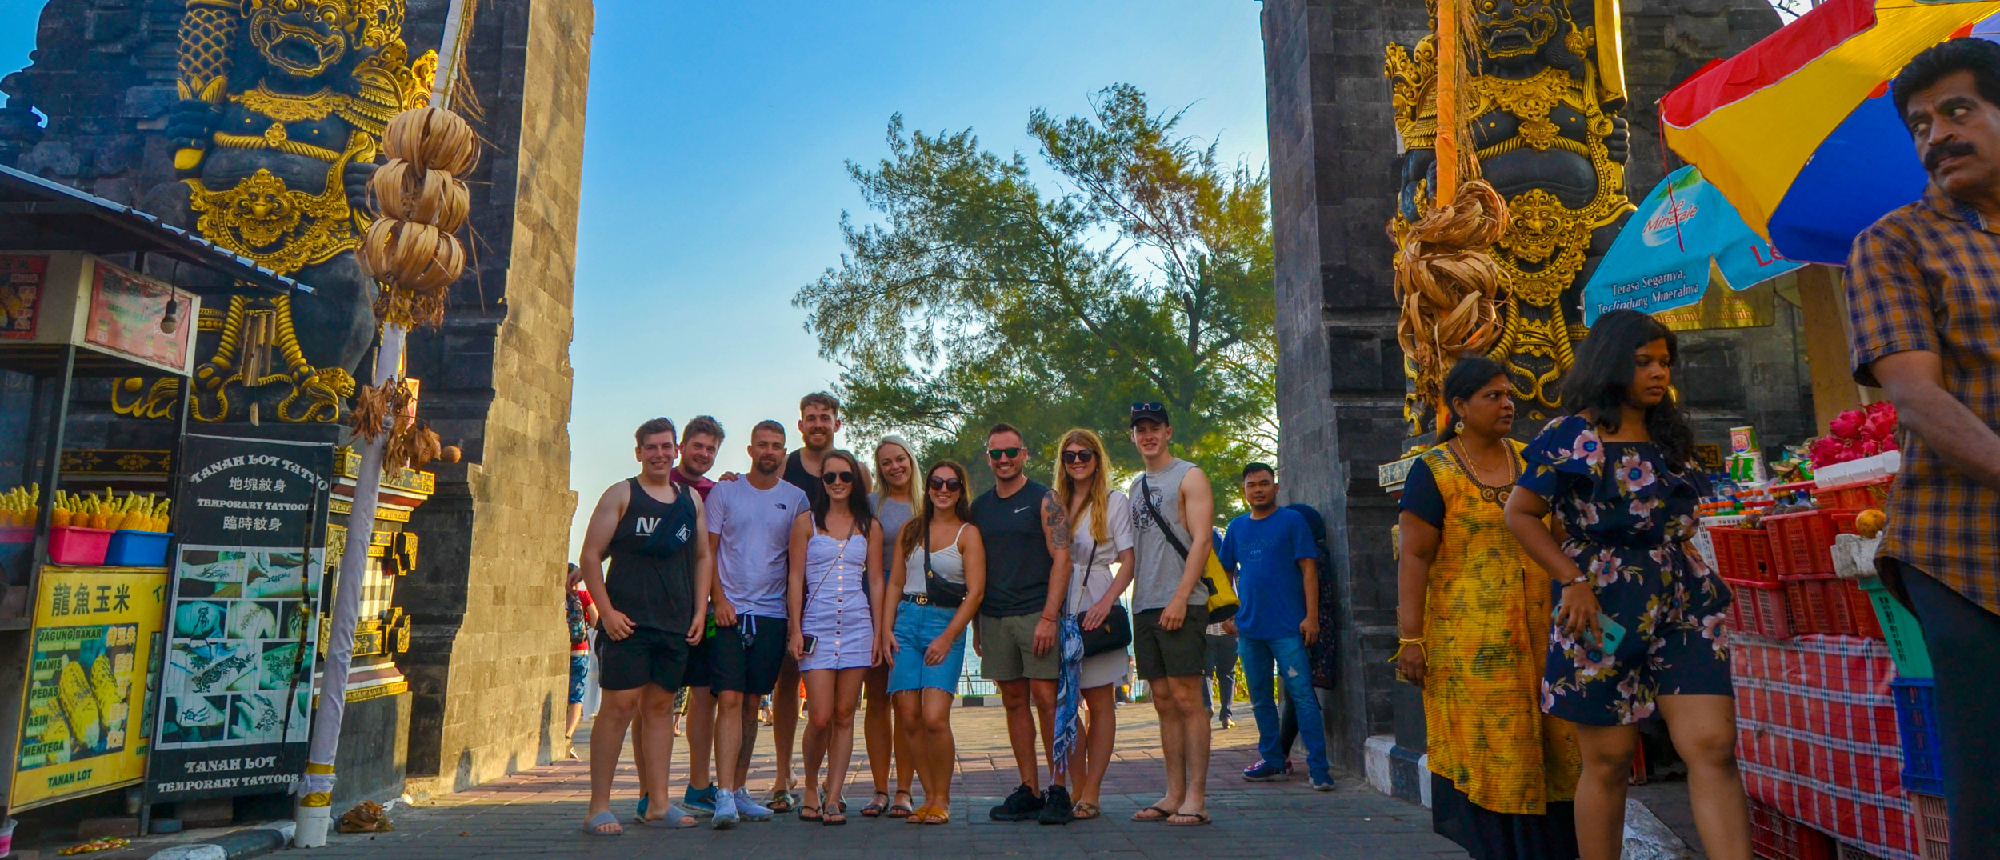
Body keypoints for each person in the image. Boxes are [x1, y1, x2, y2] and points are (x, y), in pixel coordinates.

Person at [1503, 310, 1749, 860]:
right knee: (1610, 760)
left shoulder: (1669, 434)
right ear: (1612, 363)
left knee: (1713, 745)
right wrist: (1570, 580)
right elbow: (1520, 513)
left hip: (1685, 596)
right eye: (1644, 363)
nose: (1658, 373)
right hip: (1598, 602)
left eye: (1664, 362)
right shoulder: (1570, 435)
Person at [1848, 39, 2000, 856]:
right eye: (1920, 123)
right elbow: (1916, 395)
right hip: (1969, 556)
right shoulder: (1895, 244)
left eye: (1958, 111)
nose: (1935, 134)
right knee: (1993, 789)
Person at [1399, 357, 1581, 859]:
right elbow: (1414, 558)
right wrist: (1410, 640)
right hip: (1471, 650)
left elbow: (1564, 539)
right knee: (1495, 752)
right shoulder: (1433, 470)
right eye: (1493, 396)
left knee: (1557, 746)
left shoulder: (1533, 461)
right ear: (1460, 407)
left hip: (1546, 636)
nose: (1508, 404)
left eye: (1509, 394)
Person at [576, 418, 712, 835]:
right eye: (651, 447)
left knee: (660, 710)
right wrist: (607, 611)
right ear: (639, 452)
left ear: (676, 451)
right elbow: (590, 556)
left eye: (666, 447)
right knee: (617, 709)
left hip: (674, 624)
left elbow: (704, 556)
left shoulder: (690, 501)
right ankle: (598, 806)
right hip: (627, 624)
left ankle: (658, 803)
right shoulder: (622, 494)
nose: (659, 454)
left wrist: (698, 611)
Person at [704, 420, 811, 828]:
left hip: (771, 614)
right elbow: (708, 552)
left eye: (777, 446)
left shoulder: (797, 499)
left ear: (784, 453)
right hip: (729, 612)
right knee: (729, 699)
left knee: (752, 703)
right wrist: (719, 600)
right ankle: (724, 794)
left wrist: (794, 621)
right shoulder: (726, 490)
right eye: (762, 445)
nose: (769, 451)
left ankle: (742, 788)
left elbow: (798, 563)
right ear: (750, 450)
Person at [973, 423, 1076, 825]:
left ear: (1024, 454)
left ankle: (1060, 790)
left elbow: (1062, 560)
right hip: (994, 617)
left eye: (1010, 452)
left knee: (1048, 702)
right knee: (1013, 702)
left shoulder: (1044, 499)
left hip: (1037, 614)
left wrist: (1050, 617)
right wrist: (978, 628)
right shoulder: (979, 507)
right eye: (996, 454)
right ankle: (1029, 789)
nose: (1003, 460)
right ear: (988, 458)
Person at [1124, 402, 1217, 826]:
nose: (1148, 435)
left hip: (1182, 599)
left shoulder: (1190, 475)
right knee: (1162, 700)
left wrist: (1181, 597)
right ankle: (1173, 792)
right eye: (1140, 429)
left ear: (1168, 431)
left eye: (1154, 427)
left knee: (1187, 697)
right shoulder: (1134, 487)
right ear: (1133, 436)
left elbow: (1201, 541)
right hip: (1143, 603)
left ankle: (1196, 797)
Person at [882, 460, 987, 825]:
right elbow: (895, 583)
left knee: (934, 718)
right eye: (936, 482)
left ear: (961, 490)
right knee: (908, 718)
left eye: (952, 484)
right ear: (927, 488)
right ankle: (927, 798)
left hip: (945, 622)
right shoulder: (913, 530)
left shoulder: (968, 533)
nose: (943, 489)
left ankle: (942, 798)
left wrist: (948, 637)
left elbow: (974, 594)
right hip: (906, 621)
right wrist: (885, 629)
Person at [1221, 462, 1336, 792]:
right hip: (1250, 630)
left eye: (1264, 483)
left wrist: (1311, 617)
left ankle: (1319, 767)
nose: (1258, 489)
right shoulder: (1237, 527)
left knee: (1302, 696)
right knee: (1260, 698)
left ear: (1275, 487)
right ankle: (1273, 760)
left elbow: (1309, 571)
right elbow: (1226, 570)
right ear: (1243, 492)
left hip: (1288, 628)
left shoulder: (1292, 521)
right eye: (1251, 485)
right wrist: (1229, 612)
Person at [786, 450, 884, 826]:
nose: (838, 482)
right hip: (817, 626)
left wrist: (878, 630)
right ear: (822, 483)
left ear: (856, 481)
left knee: (846, 714)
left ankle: (833, 793)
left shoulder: (868, 526)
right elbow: (795, 578)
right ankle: (809, 784)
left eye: (845, 476)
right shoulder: (806, 522)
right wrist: (795, 628)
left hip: (858, 625)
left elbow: (875, 580)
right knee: (821, 716)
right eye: (830, 477)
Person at [1053, 429, 1134, 822]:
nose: (1077, 461)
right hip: (1059, 604)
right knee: (1066, 705)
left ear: (1097, 458)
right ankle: (1077, 785)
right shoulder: (1056, 503)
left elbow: (1129, 561)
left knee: (1099, 702)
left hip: (1097, 601)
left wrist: (1105, 603)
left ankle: (1093, 790)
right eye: (1069, 456)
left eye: (1084, 454)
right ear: (1062, 463)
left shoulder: (1114, 502)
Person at [767, 391, 841, 812]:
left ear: (836, 424)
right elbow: (753, 494)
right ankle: (783, 774)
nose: (817, 424)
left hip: (835, 591)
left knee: (830, 694)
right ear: (801, 425)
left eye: (824, 417)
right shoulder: (783, 464)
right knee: (785, 680)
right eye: (811, 417)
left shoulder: (847, 469)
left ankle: (828, 781)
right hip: (785, 583)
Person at [664, 415, 722, 817]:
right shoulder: (655, 482)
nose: (703, 454)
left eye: (710, 449)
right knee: (654, 701)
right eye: (697, 446)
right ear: (682, 446)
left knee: (705, 698)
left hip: (704, 609)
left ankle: (699, 785)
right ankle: (653, 790)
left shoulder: (717, 494)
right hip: (658, 606)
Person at [864, 436, 919, 818]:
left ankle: (904, 789)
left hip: (913, 605)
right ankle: (880, 788)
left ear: (911, 460)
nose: (894, 467)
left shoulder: (929, 502)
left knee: (906, 702)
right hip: (870, 602)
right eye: (886, 463)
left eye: (900, 459)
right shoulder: (870, 504)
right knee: (877, 699)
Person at [1201, 535, 1238, 730]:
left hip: (1206, 629)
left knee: (1205, 672)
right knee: (1227, 673)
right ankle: (1227, 715)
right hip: (1228, 629)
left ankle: (1207, 706)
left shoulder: (1199, 569)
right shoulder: (1230, 570)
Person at [563, 563, 597, 761]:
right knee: (576, 698)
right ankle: (567, 738)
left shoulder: (557, 597)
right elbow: (594, 620)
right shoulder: (583, 596)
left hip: (561, 652)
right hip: (580, 651)